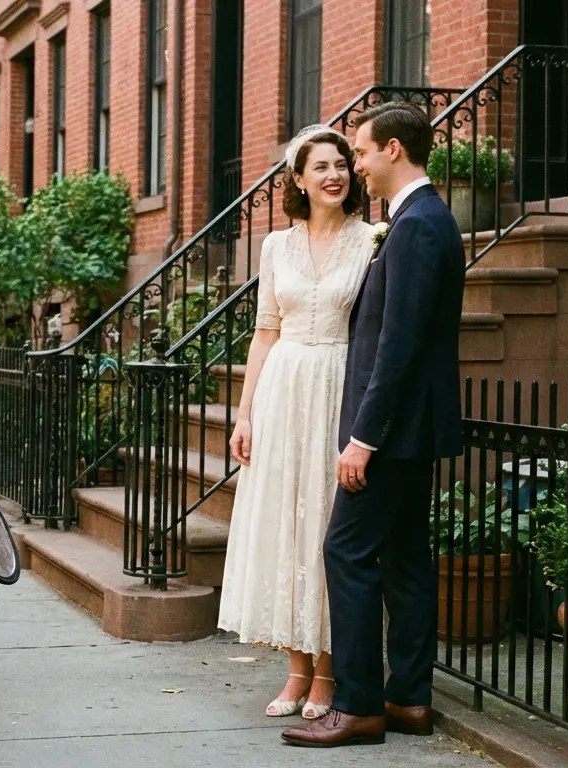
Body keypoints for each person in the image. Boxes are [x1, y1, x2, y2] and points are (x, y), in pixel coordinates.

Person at [281, 102, 465, 749]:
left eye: (359, 152)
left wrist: (364, 438)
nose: (355, 164)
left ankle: (357, 705)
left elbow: (400, 345)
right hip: (414, 431)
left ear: (392, 149)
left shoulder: (417, 226)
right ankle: (409, 699)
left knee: (347, 552)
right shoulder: (421, 219)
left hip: (393, 433)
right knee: (407, 561)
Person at [217, 124, 375, 720]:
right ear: (299, 180)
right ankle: (294, 672)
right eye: (321, 167)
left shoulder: (370, 241)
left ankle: (329, 674)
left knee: (326, 526)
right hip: (282, 388)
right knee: (285, 523)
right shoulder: (275, 247)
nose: (335, 174)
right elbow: (264, 330)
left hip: (338, 385)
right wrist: (245, 410)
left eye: (342, 164)